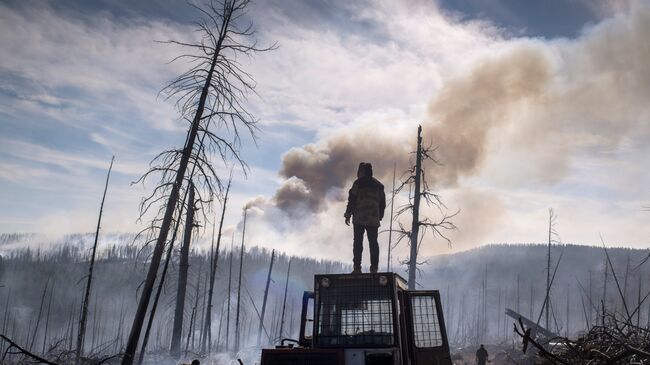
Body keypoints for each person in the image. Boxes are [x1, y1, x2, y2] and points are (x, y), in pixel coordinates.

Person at [344, 162, 386, 274]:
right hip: (373, 219)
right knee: (373, 243)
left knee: (358, 243)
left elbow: (352, 199)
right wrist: (379, 216)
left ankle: (357, 268)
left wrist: (348, 214)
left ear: (361, 171)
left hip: (359, 219)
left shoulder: (357, 183)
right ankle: (374, 269)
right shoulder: (379, 186)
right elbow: (382, 203)